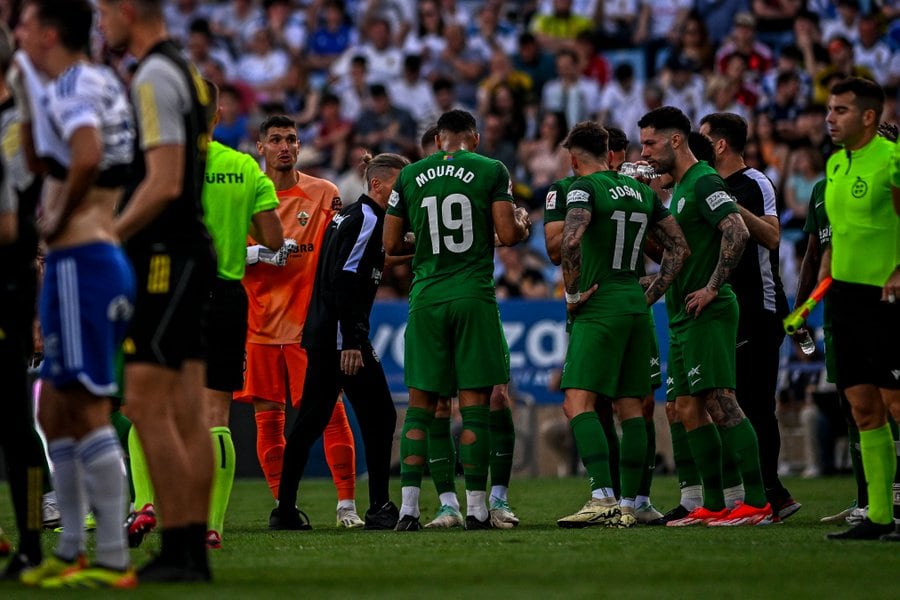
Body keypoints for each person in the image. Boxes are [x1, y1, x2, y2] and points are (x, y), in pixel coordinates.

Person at [14, 0, 136, 587]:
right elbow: (53, 158)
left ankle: (110, 555)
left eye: (25, 21)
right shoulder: (94, 82)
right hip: (94, 258)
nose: (17, 30)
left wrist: (54, 217)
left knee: (83, 408)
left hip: (80, 260)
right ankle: (72, 550)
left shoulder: (77, 84)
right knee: (56, 407)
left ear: (49, 31)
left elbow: (84, 155)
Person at [99, 0, 217, 582]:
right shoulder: (188, 72)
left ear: (127, 9)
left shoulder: (152, 74)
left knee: (145, 403)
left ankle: (178, 545)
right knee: (188, 409)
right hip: (192, 250)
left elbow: (165, 180)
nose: (101, 23)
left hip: (166, 257)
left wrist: (108, 236)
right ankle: (190, 548)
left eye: (104, 12)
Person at [383, 109, 530, 530]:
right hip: (472, 295)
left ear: (438, 139)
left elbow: (390, 244)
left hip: (426, 298)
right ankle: (478, 509)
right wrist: (519, 223)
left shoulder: (410, 175)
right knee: (476, 406)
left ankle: (409, 509)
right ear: (474, 138)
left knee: (421, 408)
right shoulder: (491, 169)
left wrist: (427, 240)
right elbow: (506, 233)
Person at [638, 106, 771, 527]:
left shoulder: (704, 180)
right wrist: (653, 291)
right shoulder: (678, 188)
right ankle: (712, 505)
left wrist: (713, 287)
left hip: (708, 311)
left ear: (676, 140)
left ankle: (758, 501)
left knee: (721, 402)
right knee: (686, 408)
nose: (645, 152)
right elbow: (679, 255)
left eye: (650, 143)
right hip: (681, 315)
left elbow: (738, 230)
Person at [556, 121, 689, 528]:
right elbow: (679, 248)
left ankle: (602, 497)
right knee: (632, 408)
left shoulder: (584, 187)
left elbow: (571, 240)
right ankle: (633, 503)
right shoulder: (639, 190)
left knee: (577, 402)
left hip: (600, 306)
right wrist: (652, 292)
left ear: (576, 158)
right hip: (635, 304)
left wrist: (574, 294)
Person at [239, 115, 361, 531]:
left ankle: (347, 505)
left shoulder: (323, 193)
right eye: (275, 140)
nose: (285, 146)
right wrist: (257, 255)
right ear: (261, 147)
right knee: (268, 420)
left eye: (291, 139)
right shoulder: (244, 196)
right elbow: (220, 255)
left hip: (308, 328)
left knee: (331, 414)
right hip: (257, 326)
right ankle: (282, 503)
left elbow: (341, 256)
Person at [277, 152, 407, 532]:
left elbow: (371, 261)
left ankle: (284, 509)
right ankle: (380, 506)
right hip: (340, 336)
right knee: (381, 415)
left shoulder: (352, 216)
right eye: (398, 186)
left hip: (323, 333)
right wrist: (351, 340)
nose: (402, 195)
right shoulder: (367, 219)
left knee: (310, 422)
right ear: (379, 185)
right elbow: (345, 279)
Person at [698, 112, 802, 521]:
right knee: (727, 403)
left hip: (760, 306)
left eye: (703, 139)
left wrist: (730, 205)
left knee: (756, 404)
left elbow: (773, 235)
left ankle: (772, 494)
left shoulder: (755, 182)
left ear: (720, 144)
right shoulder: (704, 184)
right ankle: (750, 494)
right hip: (722, 307)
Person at [199, 82, 284, 549]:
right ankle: (213, 524)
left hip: (171, 291)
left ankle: (145, 505)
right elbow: (272, 239)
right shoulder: (244, 167)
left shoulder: (162, 163)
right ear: (220, 113)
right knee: (218, 414)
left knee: (159, 407)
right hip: (227, 294)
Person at [819, 78, 900, 541]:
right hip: (845, 300)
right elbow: (840, 229)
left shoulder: (892, 161)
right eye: (830, 109)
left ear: (868, 116)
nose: (830, 117)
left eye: (841, 110)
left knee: (897, 404)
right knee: (863, 408)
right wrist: (827, 267)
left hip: (887, 298)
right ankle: (880, 516)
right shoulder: (834, 165)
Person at [0, 20, 47, 580]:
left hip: (7, 289)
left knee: (17, 424)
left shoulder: (14, 129)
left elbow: (12, 226)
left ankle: (34, 540)